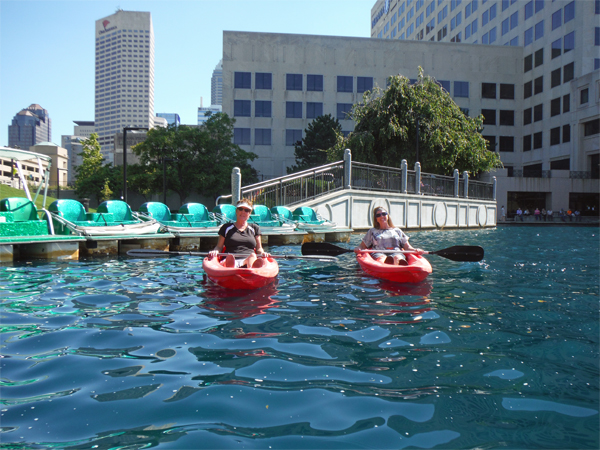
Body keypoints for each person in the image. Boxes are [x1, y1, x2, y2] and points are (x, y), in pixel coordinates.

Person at [208, 198, 269, 268]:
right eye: (240, 209)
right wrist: (215, 251)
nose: (243, 212)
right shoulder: (226, 227)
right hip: (230, 258)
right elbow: (219, 247)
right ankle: (230, 267)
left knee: (252, 256)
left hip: (248, 260)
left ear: (249, 214)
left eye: (246, 210)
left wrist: (263, 253)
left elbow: (259, 248)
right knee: (230, 258)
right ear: (236, 211)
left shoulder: (254, 228)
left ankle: (252, 270)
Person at [354, 206, 421, 265]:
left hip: (396, 252)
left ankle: (401, 267)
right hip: (378, 253)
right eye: (378, 215)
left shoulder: (397, 230)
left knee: (398, 258)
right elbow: (363, 245)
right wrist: (358, 248)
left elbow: (407, 247)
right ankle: (386, 265)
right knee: (382, 258)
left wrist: (415, 250)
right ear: (376, 219)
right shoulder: (372, 231)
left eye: (384, 214)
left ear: (388, 216)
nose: (382, 216)